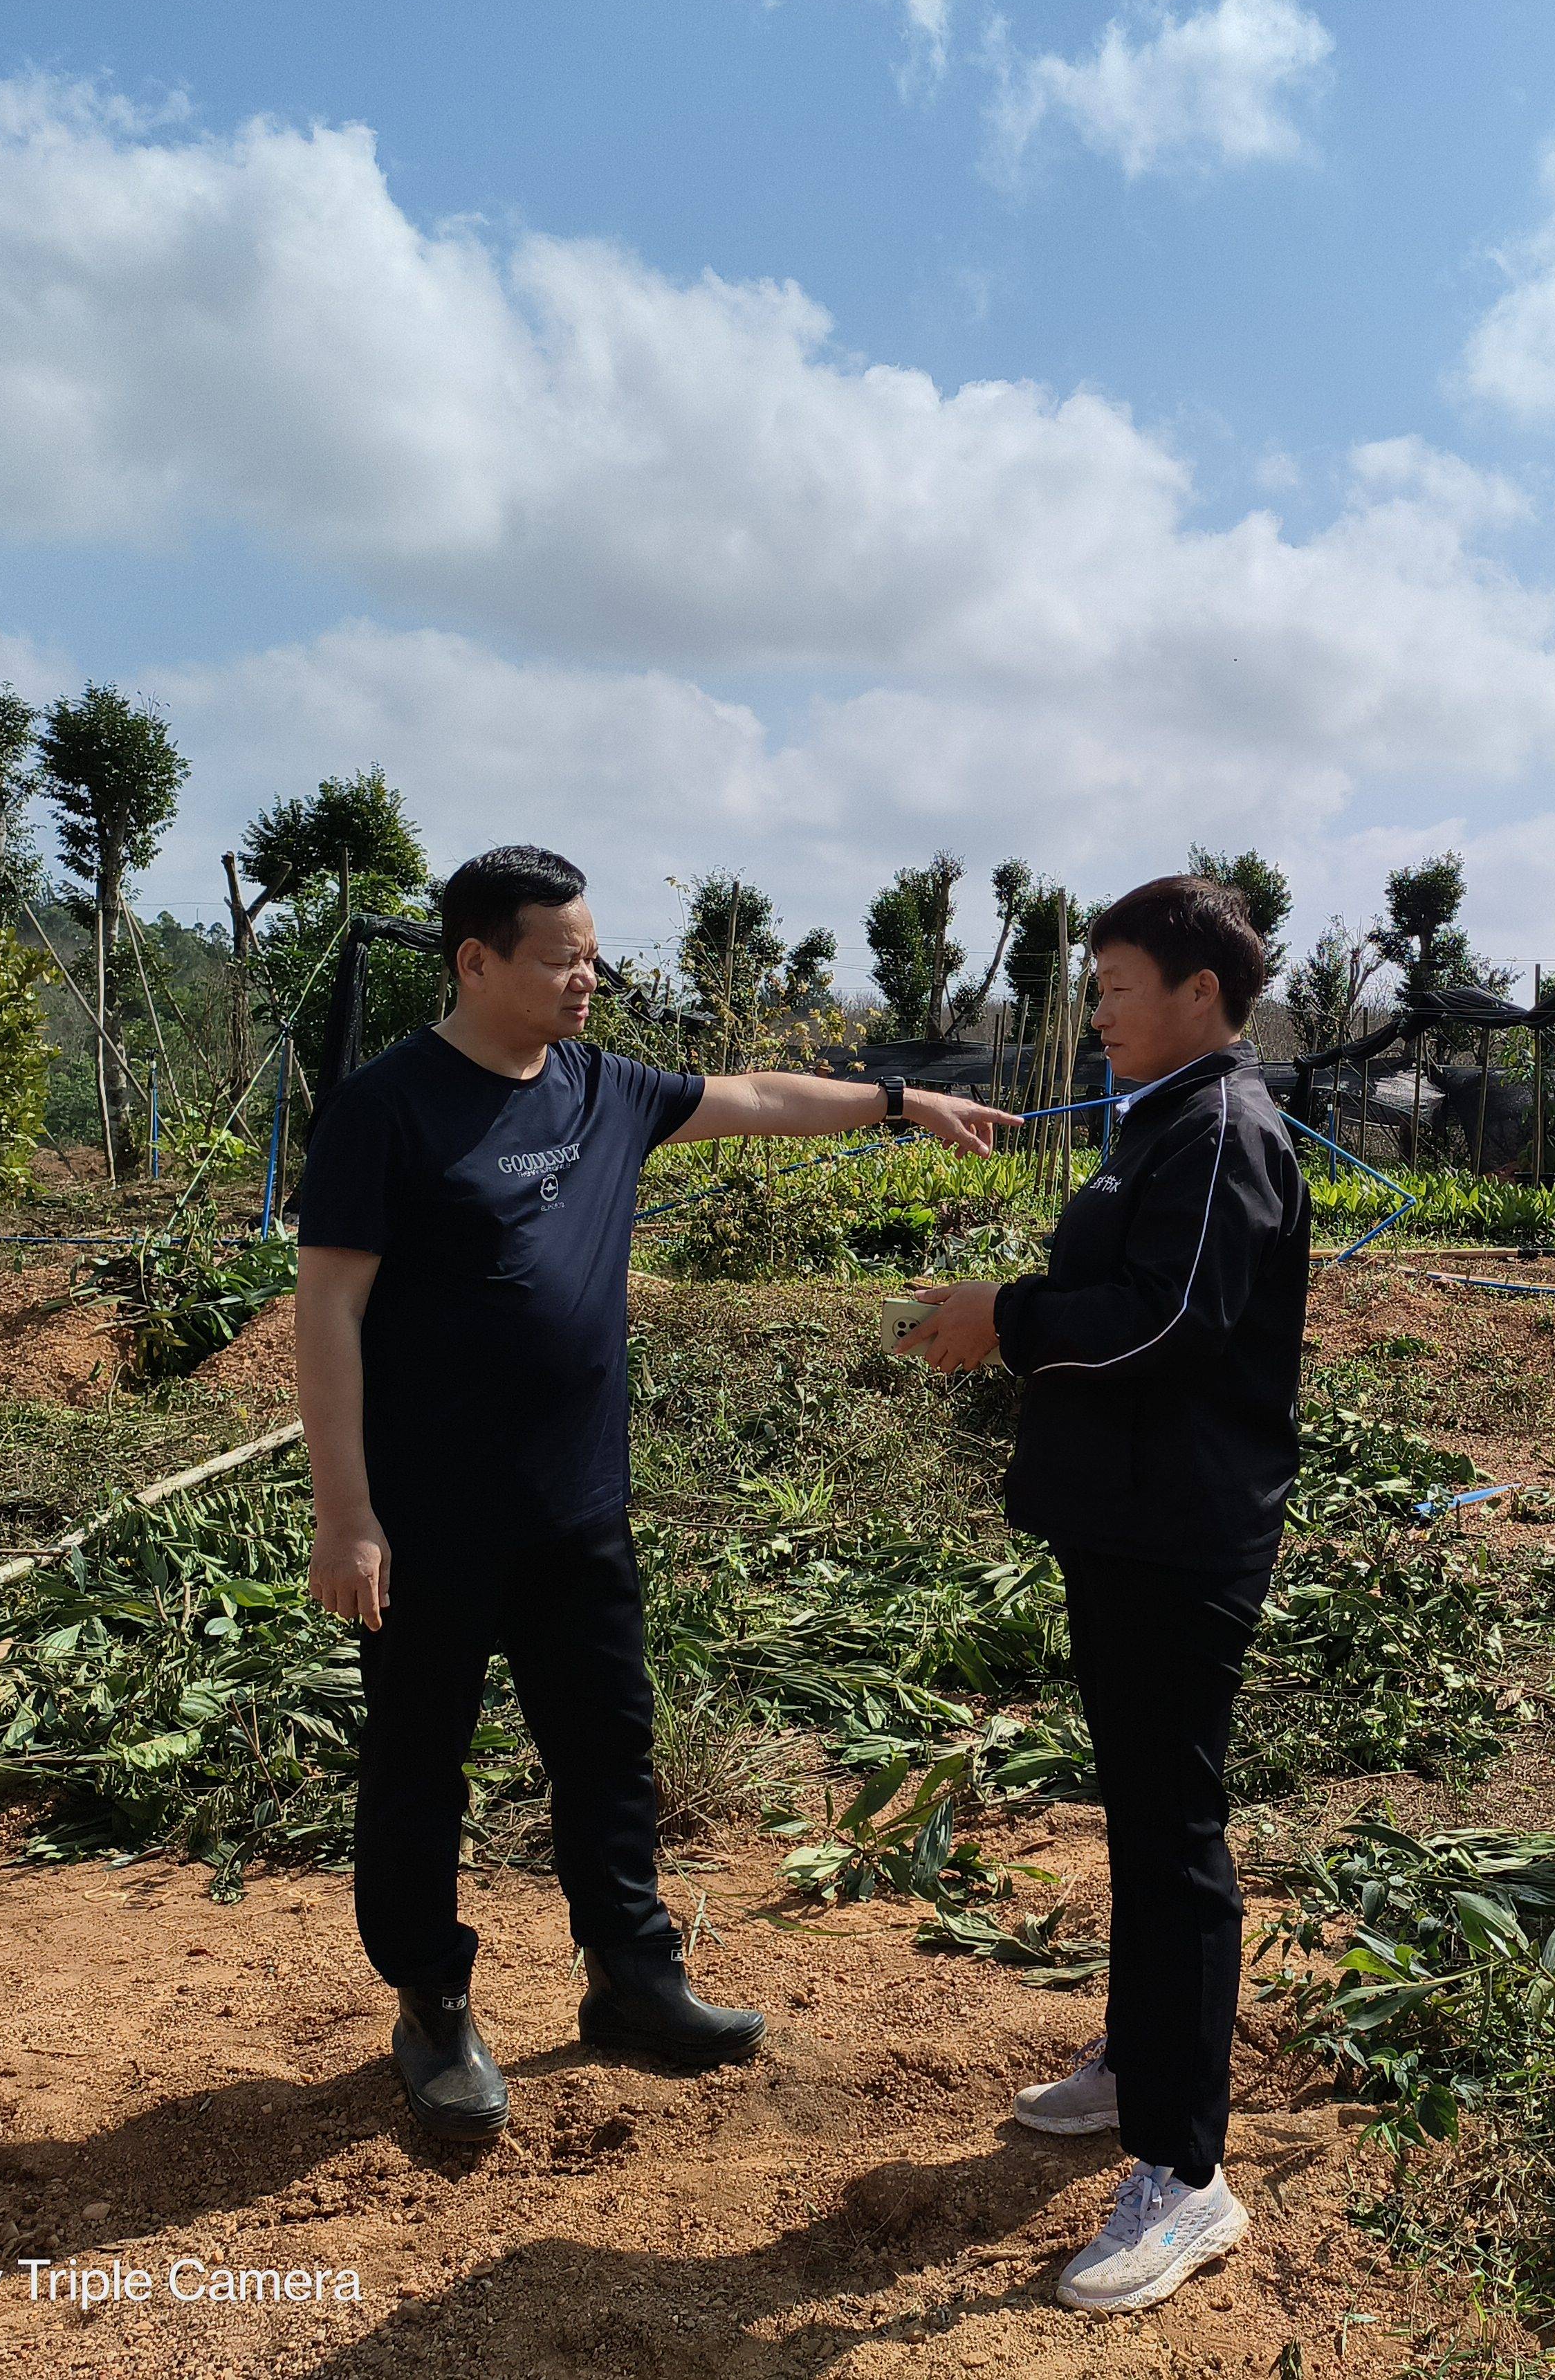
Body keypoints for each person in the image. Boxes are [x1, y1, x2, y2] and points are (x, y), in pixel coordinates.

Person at [296, 845, 1015, 2145]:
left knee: (607, 1752)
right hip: (424, 1523)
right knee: (418, 1770)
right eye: (560, 956)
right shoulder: (387, 1107)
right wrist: (343, 1512)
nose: (589, 977)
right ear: (475, 961)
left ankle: (631, 1980)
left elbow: (753, 1096)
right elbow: (329, 1311)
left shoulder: (601, 1084)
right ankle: (432, 2000)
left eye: (591, 951)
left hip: (577, 1512)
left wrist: (900, 1101)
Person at [893, 875, 1308, 2316]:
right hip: (1126, 1520)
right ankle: (1140, 2061)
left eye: (1120, 984)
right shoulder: (1163, 1129)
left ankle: (1186, 2172)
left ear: (1199, 993)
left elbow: (1175, 1323)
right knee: (1138, 1806)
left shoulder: (1217, 1131)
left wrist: (998, 1321)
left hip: (1183, 1531)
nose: (1100, 1011)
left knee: (1175, 1825)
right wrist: (1006, 1314)